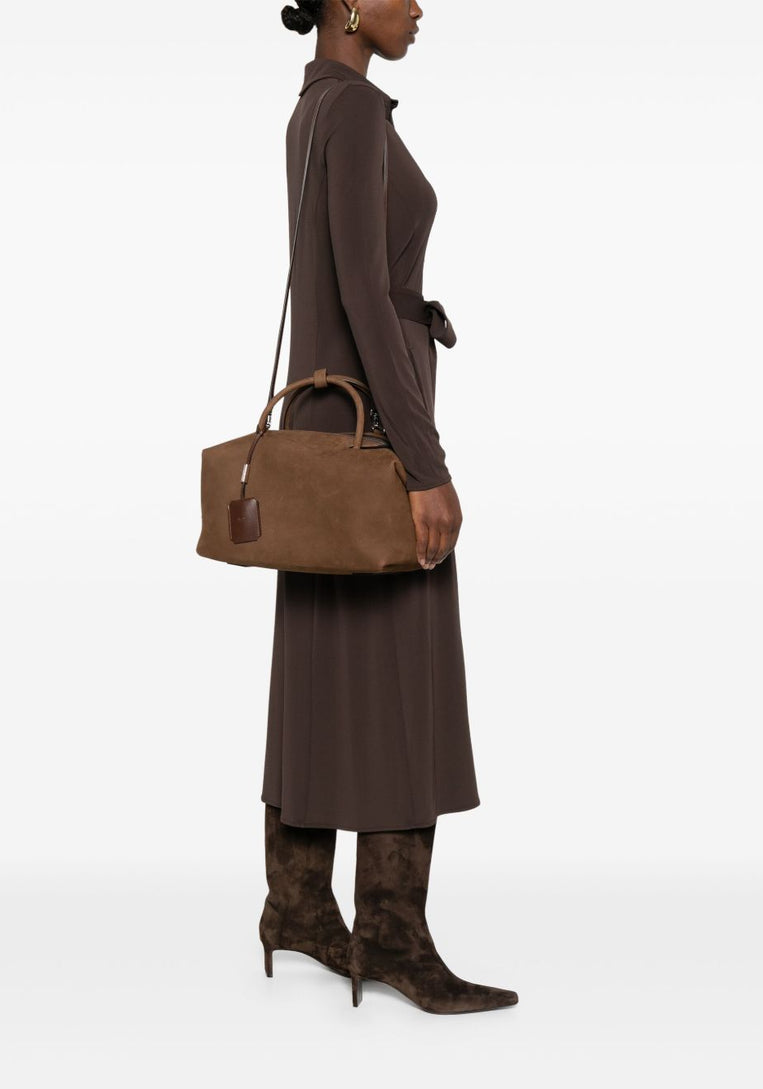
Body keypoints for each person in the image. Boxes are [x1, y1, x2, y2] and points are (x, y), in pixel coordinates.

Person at [259, 0, 519, 1013]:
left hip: (321, 435)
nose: (418, 7)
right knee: (408, 672)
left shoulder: (311, 106)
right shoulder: (358, 110)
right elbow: (366, 295)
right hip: (374, 443)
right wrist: (425, 462)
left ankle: (297, 905)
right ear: (344, 4)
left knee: (323, 661)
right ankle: (394, 935)